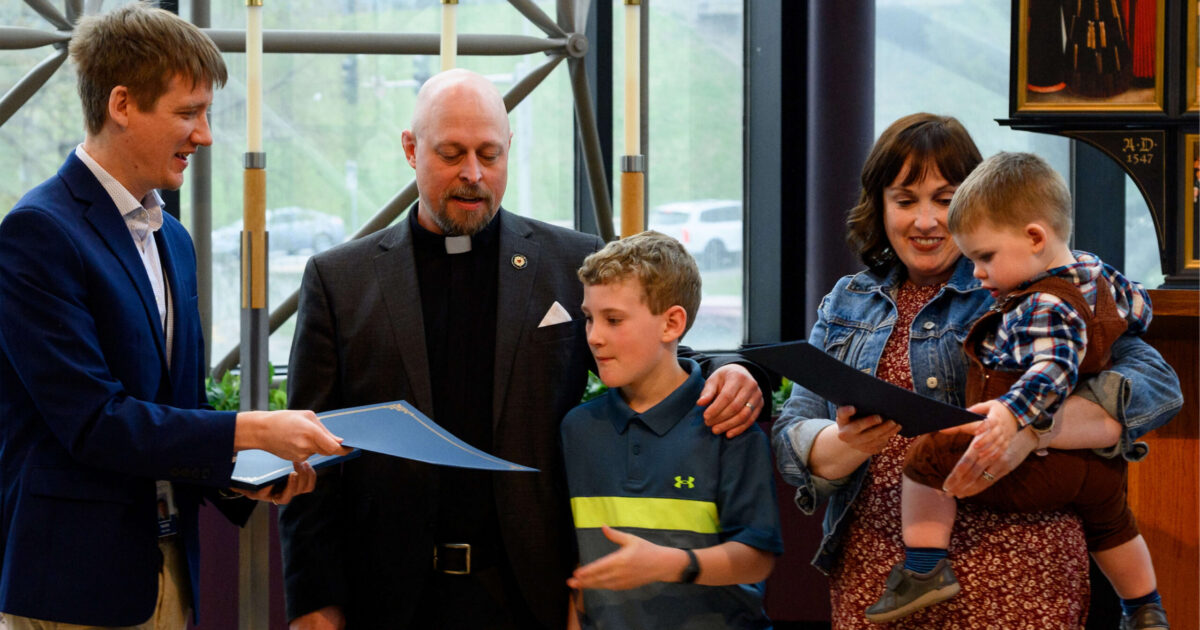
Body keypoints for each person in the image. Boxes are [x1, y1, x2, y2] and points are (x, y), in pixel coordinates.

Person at [278, 68, 767, 630]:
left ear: (509, 147)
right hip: (387, 597)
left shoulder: (569, 261)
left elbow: (650, 358)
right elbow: (308, 452)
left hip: (536, 593)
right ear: (411, 150)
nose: (473, 174)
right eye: (451, 154)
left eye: (489, 154)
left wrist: (731, 371)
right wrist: (312, 601)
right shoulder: (340, 280)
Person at [0, 4, 346, 629]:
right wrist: (251, 430)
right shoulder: (38, 233)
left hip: (167, 569)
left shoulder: (174, 240)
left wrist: (246, 476)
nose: (205, 135)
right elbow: (95, 422)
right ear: (122, 104)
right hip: (73, 585)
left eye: (206, 114)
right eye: (189, 113)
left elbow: (178, 407)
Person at [770, 113, 1182, 629]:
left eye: (945, 199)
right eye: (905, 200)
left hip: (1019, 572)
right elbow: (793, 434)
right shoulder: (848, 300)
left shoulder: (1030, 279)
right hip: (880, 575)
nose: (925, 221)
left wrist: (1029, 427)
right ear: (880, 205)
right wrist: (845, 443)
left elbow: (1156, 388)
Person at [865, 152, 1168, 629]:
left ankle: (924, 568)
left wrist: (1012, 416)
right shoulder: (1096, 274)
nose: (978, 273)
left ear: (1034, 238)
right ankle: (1144, 606)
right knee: (1112, 525)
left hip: (1036, 463)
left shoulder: (1041, 304)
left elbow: (1052, 370)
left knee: (927, 457)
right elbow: (1140, 307)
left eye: (985, 258)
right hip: (1096, 466)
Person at [562, 231, 783, 629]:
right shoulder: (577, 430)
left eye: (614, 320)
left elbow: (757, 558)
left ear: (672, 323)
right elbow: (578, 562)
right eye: (589, 318)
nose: (594, 336)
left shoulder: (727, 424)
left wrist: (669, 563)